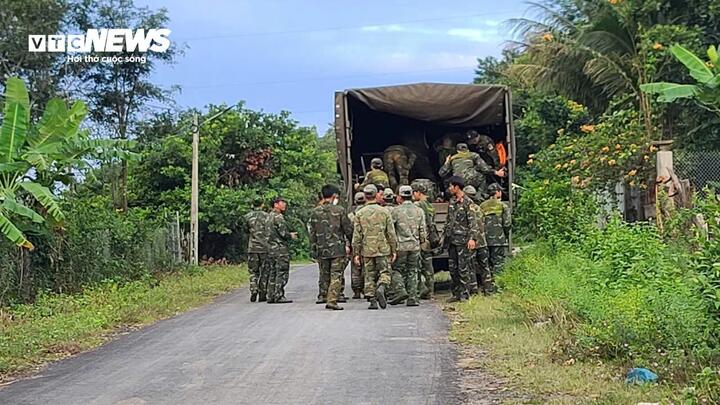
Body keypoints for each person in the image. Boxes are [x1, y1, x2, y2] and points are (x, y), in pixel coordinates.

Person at [352, 184, 397, 310]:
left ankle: (372, 300)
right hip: (383, 248)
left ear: (365, 196)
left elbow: (357, 236)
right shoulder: (385, 211)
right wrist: (393, 249)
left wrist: (356, 253)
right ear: (377, 195)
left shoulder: (359, 213)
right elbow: (391, 233)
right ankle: (382, 287)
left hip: (367, 249)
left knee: (369, 274)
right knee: (385, 272)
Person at [308, 185, 353, 311]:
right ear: (334, 196)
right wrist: (351, 244)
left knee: (324, 273)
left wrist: (313, 248)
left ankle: (323, 295)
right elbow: (348, 229)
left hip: (322, 248)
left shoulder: (315, 212)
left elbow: (312, 232)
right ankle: (332, 299)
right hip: (337, 248)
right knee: (336, 274)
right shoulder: (339, 210)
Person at [443, 176, 481, 302]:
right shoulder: (452, 202)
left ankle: (465, 294)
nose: (449, 189)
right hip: (452, 240)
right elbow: (448, 220)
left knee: (463, 268)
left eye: (450, 186)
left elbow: (473, 223)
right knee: (453, 268)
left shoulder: (468, 203)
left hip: (463, 240)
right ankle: (456, 293)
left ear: (456, 187)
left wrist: (472, 239)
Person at [390, 185, 428, 306]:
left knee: (396, 270)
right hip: (415, 246)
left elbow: (391, 229)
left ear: (400, 196)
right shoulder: (419, 211)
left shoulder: (396, 211)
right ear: (411, 195)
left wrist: (392, 245)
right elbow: (423, 229)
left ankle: (400, 290)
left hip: (401, 246)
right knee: (413, 270)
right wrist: (422, 242)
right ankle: (413, 297)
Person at [439, 143, 506, 197]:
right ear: (467, 149)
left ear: (457, 151)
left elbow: (441, 173)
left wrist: (446, 162)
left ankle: (450, 197)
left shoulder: (452, 158)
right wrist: (496, 172)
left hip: (458, 181)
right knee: (482, 176)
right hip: (471, 178)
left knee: (448, 181)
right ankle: (479, 195)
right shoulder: (474, 155)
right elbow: (484, 169)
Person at [267, 197, 297, 304]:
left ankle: (271, 295)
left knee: (272, 272)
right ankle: (279, 295)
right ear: (276, 204)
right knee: (282, 272)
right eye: (282, 203)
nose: (284, 205)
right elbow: (283, 233)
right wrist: (291, 235)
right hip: (280, 249)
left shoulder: (269, 216)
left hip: (270, 249)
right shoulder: (278, 217)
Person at [463, 185, 492, 295]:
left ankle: (474, 290)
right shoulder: (479, 208)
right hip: (482, 242)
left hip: (473, 242)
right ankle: (488, 289)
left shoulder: (467, 209)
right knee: (485, 266)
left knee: (471, 266)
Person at [480, 183, 511, 282]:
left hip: (485, 239)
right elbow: (507, 223)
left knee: (486, 263)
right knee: (498, 262)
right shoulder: (503, 206)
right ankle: (498, 283)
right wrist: (505, 235)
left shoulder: (482, 206)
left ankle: (487, 285)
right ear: (497, 192)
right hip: (498, 238)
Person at [242, 198, 272, 302]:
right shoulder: (267, 217)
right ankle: (262, 293)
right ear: (262, 204)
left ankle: (253, 288)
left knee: (253, 271)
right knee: (264, 271)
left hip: (252, 248)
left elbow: (245, 230)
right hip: (265, 248)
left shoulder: (247, 217)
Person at [412, 183, 438, 299]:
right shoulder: (430, 206)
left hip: (420, 239)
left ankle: (419, 290)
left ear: (418, 193)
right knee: (428, 266)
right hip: (428, 240)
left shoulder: (417, 205)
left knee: (417, 266)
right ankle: (430, 291)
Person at [348, 192, 366, 299]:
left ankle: (356, 291)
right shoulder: (367, 212)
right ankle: (366, 288)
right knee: (367, 268)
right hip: (367, 243)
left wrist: (348, 244)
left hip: (354, 243)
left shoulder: (351, 215)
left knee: (355, 268)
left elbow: (347, 231)